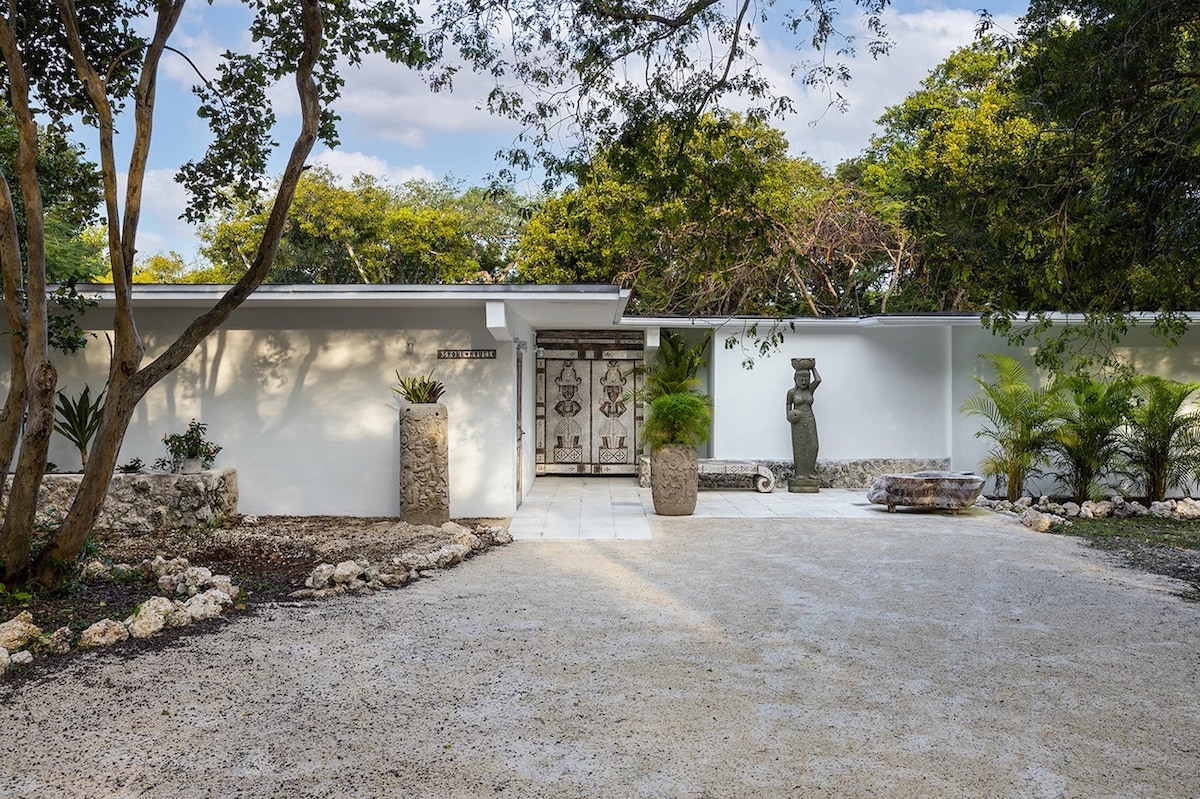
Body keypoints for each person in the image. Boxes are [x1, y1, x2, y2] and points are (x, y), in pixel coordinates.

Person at [786, 358, 821, 481]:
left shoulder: (810, 390)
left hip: (810, 418)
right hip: (798, 421)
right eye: (801, 379)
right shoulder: (791, 392)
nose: (803, 381)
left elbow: (818, 380)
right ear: (795, 380)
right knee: (799, 447)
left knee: (814, 446)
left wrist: (812, 367)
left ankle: (810, 471)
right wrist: (789, 415)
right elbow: (788, 405)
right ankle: (800, 473)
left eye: (806, 379)